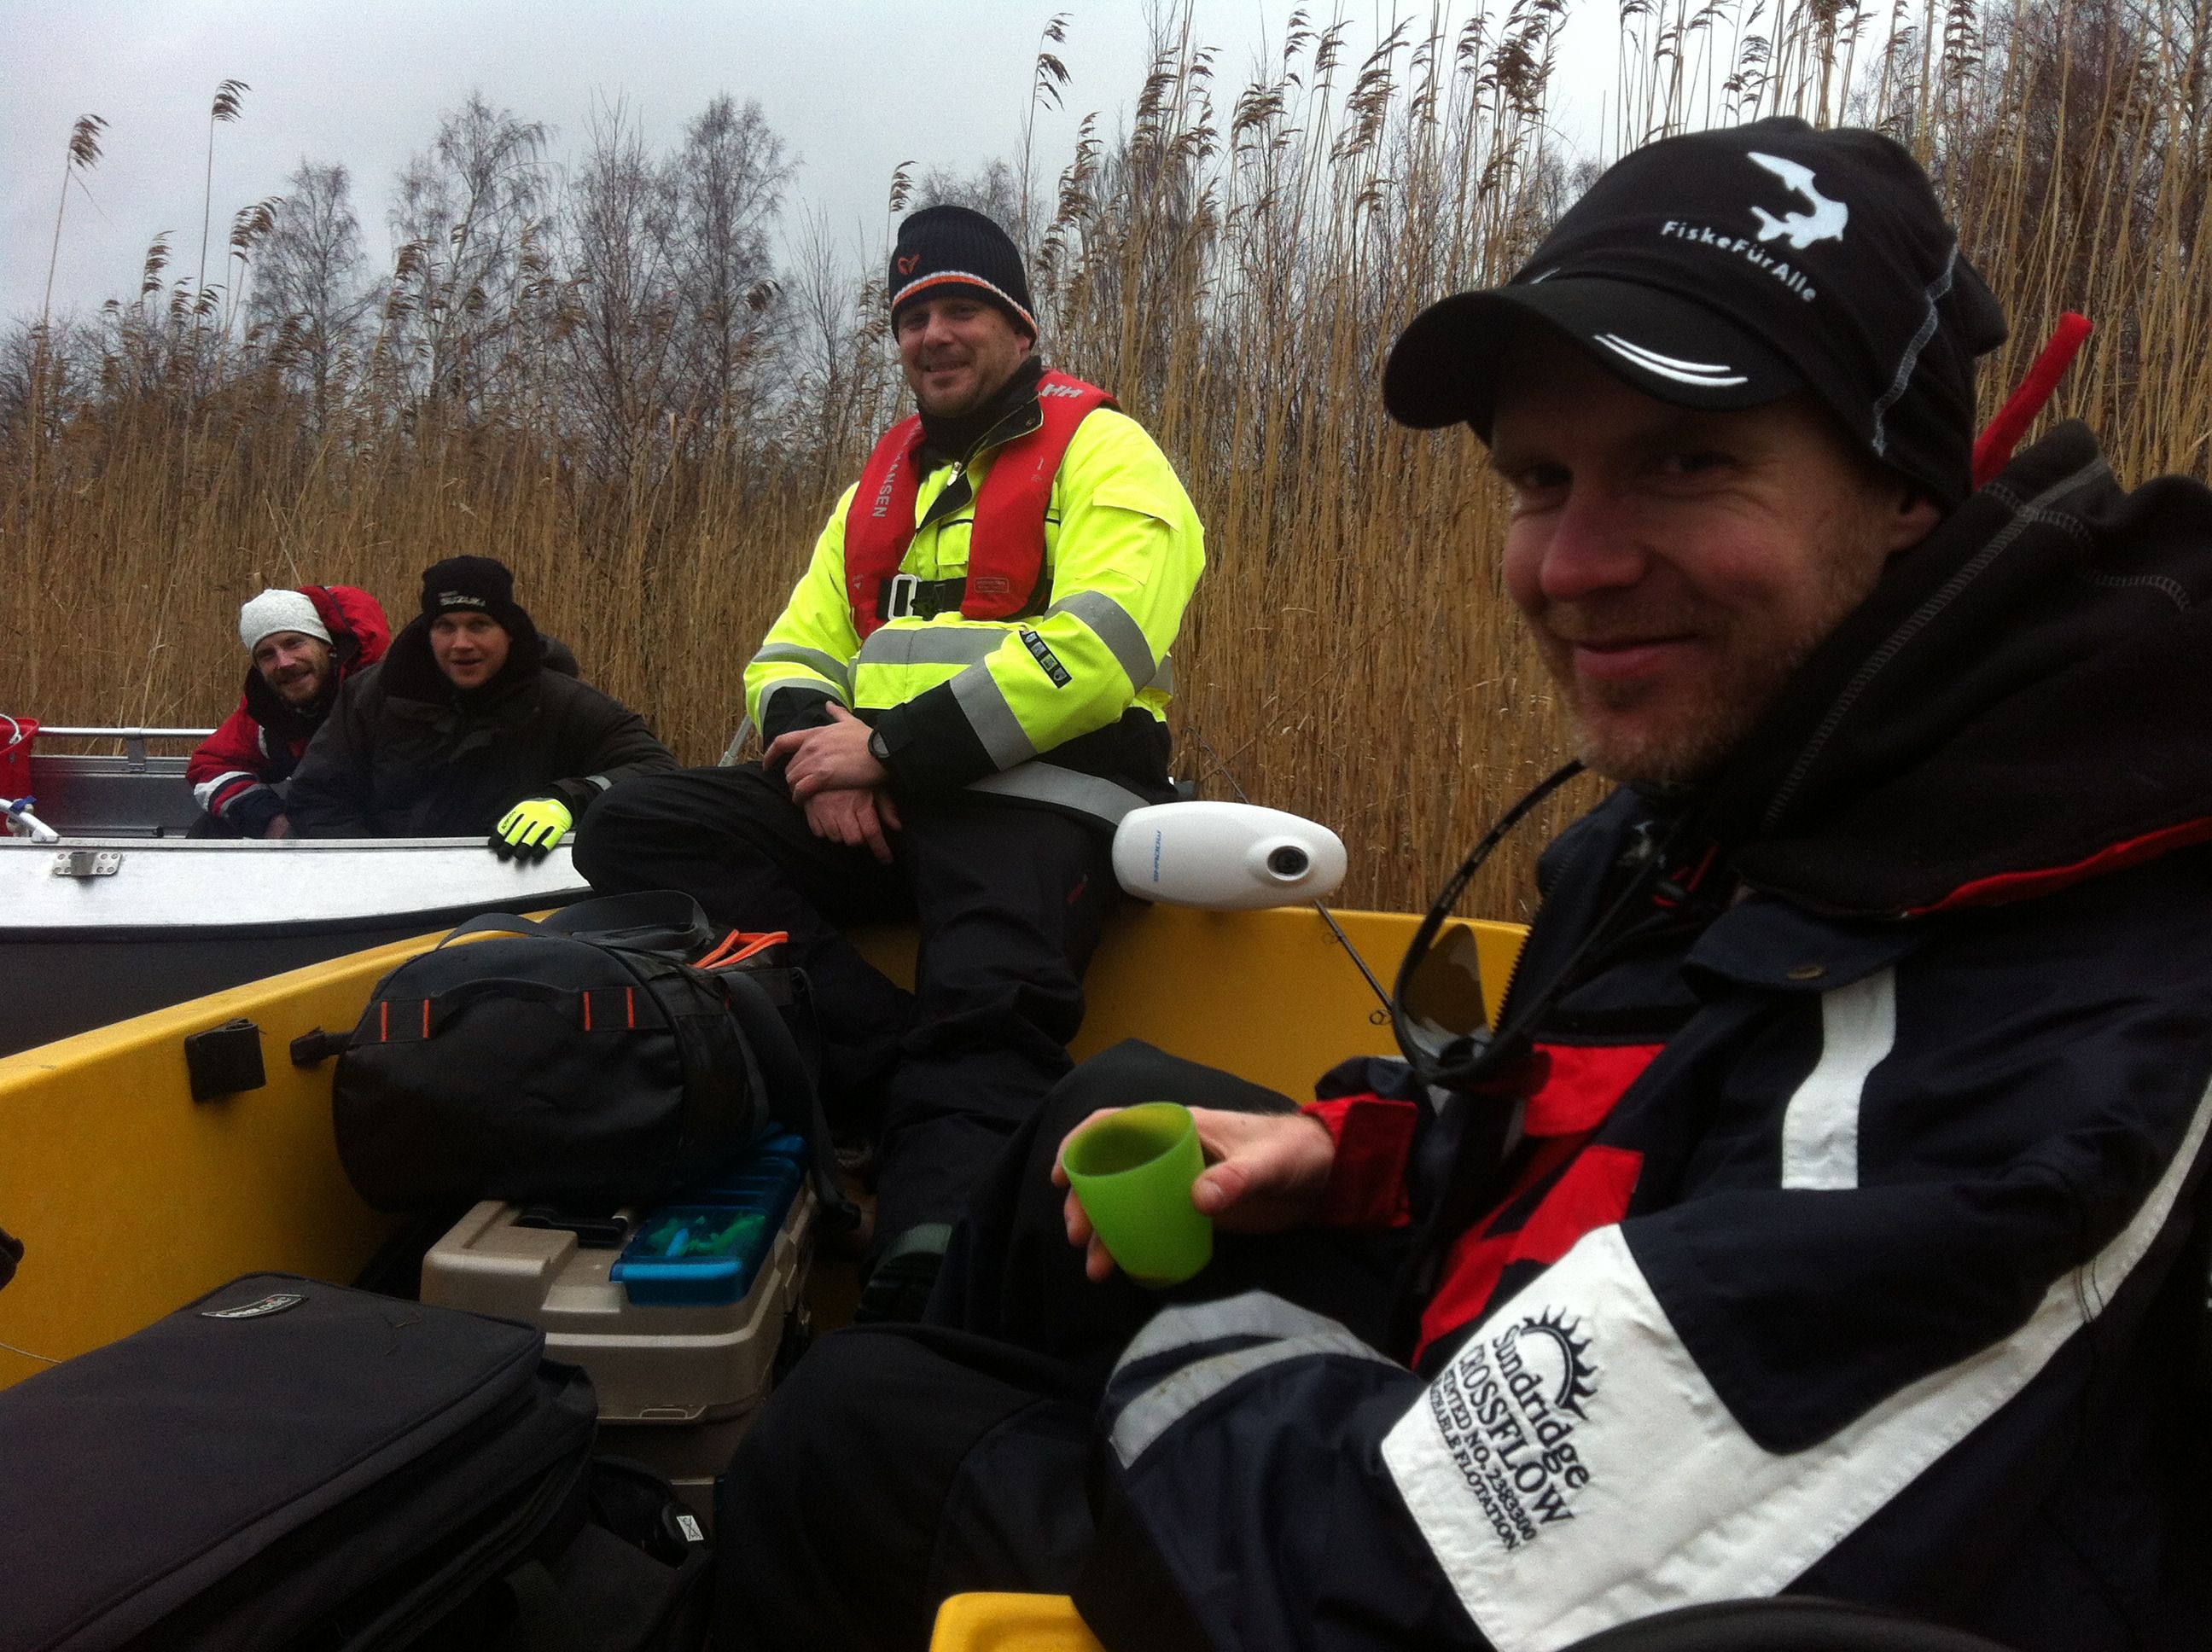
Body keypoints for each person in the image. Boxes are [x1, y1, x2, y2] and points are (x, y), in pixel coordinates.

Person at [713, 118, 2212, 1650]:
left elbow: (1414, 1579)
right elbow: (1600, 1103)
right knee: (1084, 1118)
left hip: (1437, 1569)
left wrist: (1182, 1346)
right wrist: (1359, 1153)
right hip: (1511, 1378)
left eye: (1685, 461)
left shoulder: (2030, 1028)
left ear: (1907, 492)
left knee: (848, 1430)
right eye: (1537, 477)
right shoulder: (1723, 802)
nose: (1570, 564)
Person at [574, 204, 1205, 1316]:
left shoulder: (1105, 449)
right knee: (636, 827)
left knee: (988, 997)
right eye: (913, 316)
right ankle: (887, 1064)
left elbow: (1101, 649)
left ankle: (925, 1281)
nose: (933, 335)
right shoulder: (876, 490)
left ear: (1017, 326)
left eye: (962, 308)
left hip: (1043, 802)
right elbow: (786, 656)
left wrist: (888, 754)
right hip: (881, 799)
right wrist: (821, 764)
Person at [287, 556, 674, 849]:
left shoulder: (564, 702)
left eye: (479, 625)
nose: (461, 644)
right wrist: (368, 862)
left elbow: (659, 772)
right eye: (446, 627)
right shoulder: (370, 696)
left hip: (515, 898)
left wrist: (569, 800)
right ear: (428, 633)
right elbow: (317, 796)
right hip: (382, 897)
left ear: (509, 632)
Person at [186, 585, 390, 837]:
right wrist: (270, 819)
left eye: (294, 643)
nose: (284, 662)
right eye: (267, 655)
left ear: (328, 646)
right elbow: (212, 765)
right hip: (320, 835)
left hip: (388, 843)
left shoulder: (382, 694)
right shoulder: (268, 711)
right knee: (209, 830)